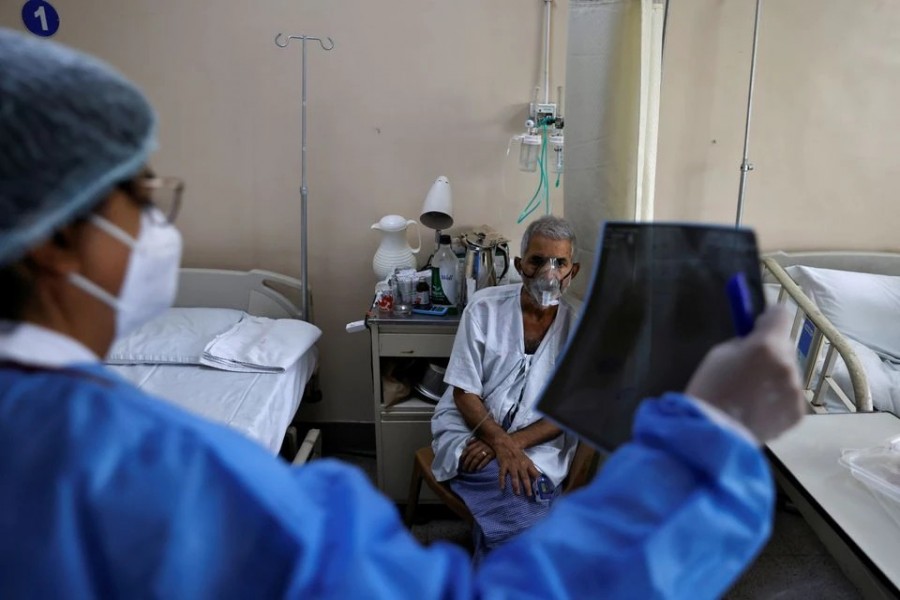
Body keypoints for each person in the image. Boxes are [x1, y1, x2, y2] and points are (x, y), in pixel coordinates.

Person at [0, 28, 806, 598]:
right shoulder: (148, 475)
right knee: (515, 517)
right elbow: (463, 400)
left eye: (563, 264)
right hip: (487, 443)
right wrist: (713, 439)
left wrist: (527, 444)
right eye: (140, 199)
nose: (156, 226)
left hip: (534, 450)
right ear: (50, 237)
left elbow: (568, 414)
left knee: (532, 500)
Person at [431, 215, 584, 559]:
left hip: (536, 443)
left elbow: (569, 412)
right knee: (527, 504)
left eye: (560, 262)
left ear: (572, 272)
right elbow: (464, 391)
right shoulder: (484, 308)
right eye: (538, 260)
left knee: (523, 492)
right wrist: (496, 441)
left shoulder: (579, 328)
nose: (549, 272)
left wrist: (507, 445)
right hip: (471, 432)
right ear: (519, 264)